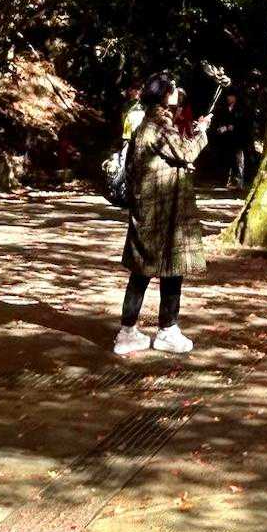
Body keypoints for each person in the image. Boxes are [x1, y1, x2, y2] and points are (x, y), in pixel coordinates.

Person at [114, 72, 210, 357]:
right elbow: (187, 152)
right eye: (173, 88)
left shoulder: (146, 124)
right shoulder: (159, 126)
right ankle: (167, 330)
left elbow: (167, 158)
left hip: (148, 211)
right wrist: (202, 132)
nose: (176, 91)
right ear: (164, 94)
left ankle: (128, 331)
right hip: (163, 214)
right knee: (171, 271)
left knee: (141, 273)